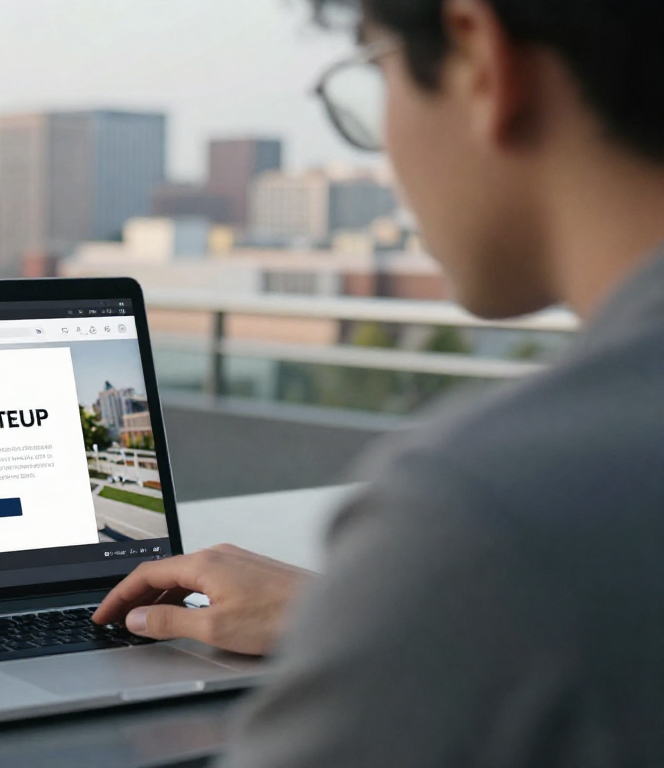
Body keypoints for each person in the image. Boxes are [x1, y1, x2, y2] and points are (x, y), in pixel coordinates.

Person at [93, 0, 664, 764]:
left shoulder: (487, 514)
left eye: (376, 76)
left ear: (478, 59)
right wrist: (372, 618)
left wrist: (416, 595)